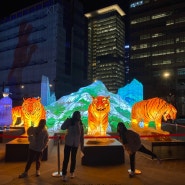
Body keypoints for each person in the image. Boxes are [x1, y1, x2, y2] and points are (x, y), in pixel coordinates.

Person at [61, 111, 84, 182]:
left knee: (73, 158)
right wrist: (66, 121)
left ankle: (72, 172)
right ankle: (64, 174)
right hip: (68, 143)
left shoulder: (80, 123)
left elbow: (81, 135)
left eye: (79, 115)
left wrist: (82, 144)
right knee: (66, 159)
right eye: (78, 115)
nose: (79, 116)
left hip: (76, 143)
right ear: (75, 115)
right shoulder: (69, 121)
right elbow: (62, 127)